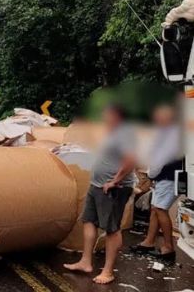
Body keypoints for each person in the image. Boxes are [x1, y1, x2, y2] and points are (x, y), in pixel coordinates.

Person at [64, 104, 136, 285]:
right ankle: (85, 261)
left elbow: (131, 160)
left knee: (112, 229)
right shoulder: (110, 132)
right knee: (89, 221)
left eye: (107, 114)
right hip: (96, 185)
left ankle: (108, 271)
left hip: (113, 189)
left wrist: (115, 181)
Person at [130, 104, 182, 262]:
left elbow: (157, 161)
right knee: (155, 209)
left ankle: (168, 247)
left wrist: (151, 175)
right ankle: (149, 242)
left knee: (160, 209)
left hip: (167, 177)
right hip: (171, 176)